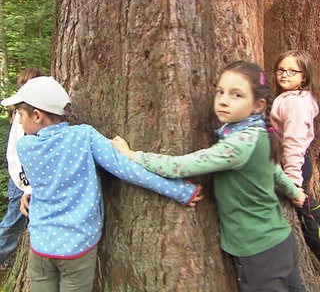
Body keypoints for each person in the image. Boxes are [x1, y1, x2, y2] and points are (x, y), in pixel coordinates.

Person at [112, 61, 306, 292]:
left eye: (237, 95)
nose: (223, 100)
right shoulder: (258, 135)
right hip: (280, 241)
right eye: (220, 92)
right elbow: (274, 170)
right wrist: (295, 193)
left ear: (258, 105)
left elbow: (180, 166)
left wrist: (134, 155)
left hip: (258, 250)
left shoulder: (238, 145)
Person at [0, 76, 202, 292]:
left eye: (20, 114)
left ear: (38, 115)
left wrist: (29, 192)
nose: (19, 121)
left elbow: (44, 180)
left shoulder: (25, 146)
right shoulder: (84, 136)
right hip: (77, 247)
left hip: (40, 247)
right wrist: (180, 191)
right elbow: (128, 170)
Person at [271, 49, 320, 258]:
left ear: (304, 76)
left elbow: (293, 143)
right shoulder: (291, 98)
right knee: (308, 205)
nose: (284, 75)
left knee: (305, 215)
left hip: (294, 163)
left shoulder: (295, 104)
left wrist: (293, 183)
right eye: (281, 70)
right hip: (295, 161)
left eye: (292, 71)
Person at [0, 68, 44, 270]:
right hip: (22, 180)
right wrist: (27, 186)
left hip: (26, 179)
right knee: (13, 223)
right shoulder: (23, 114)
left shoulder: (32, 111)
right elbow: (17, 154)